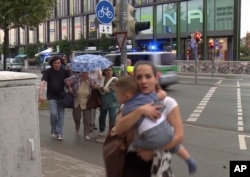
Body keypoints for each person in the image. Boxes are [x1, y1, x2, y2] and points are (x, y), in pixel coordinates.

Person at [111, 61, 187, 177]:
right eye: (139, 77)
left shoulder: (167, 102)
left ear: (156, 78)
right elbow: (117, 130)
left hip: (159, 163)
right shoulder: (128, 105)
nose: (143, 81)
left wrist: (153, 150)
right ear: (134, 81)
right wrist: (140, 111)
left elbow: (179, 136)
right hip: (133, 162)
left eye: (148, 76)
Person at [39, 55, 70, 141]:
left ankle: (59, 133)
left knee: (61, 116)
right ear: (52, 63)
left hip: (62, 97)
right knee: (53, 113)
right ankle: (53, 128)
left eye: (59, 63)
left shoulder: (64, 72)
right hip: (51, 96)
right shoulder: (48, 72)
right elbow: (43, 82)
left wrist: (70, 87)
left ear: (61, 63)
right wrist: (40, 94)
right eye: (55, 63)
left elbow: (68, 82)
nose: (57, 64)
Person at [91, 66, 119, 136]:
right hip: (103, 101)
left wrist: (98, 87)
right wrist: (97, 87)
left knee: (112, 117)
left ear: (112, 72)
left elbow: (110, 89)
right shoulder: (102, 79)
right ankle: (101, 129)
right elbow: (100, 89)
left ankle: (111, 131)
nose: (109, 72)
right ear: (104, 72)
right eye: (107, 70)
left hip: (113, 101)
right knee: (102, 117)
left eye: (110, 70)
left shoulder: (115, 79)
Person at [65, 72, 92, 140]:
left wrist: (93, 85)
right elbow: (66, 80)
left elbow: (96, 86)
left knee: (87, 119)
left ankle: (86, 133)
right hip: (77, 101)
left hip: (87, 102)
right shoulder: (77, 78)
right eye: (83, 73)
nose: (85, 75)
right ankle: (77, 126)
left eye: (86, 73)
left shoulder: (91, 80)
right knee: (76, 117)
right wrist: (69, 86)